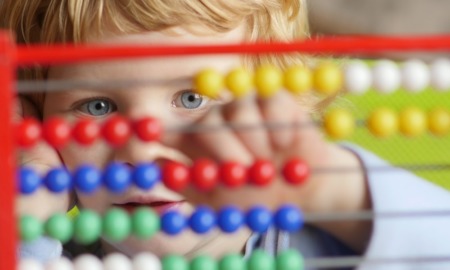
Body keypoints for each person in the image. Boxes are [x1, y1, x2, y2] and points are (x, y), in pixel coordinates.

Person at [2, 0, 450, 269]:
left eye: (193, 99)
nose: (140, 151)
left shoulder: (332, 244)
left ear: (282, 105)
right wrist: (24, 220)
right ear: (39, 125)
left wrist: (338, 193)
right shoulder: (51, 255)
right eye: (98, 107)